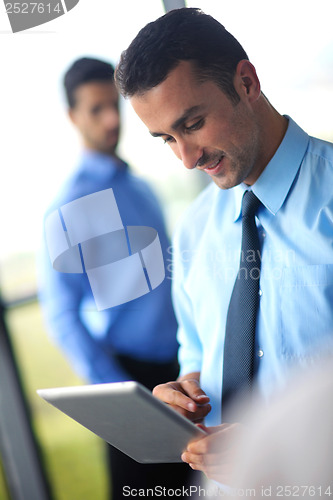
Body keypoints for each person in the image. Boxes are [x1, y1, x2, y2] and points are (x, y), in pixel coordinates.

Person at [115, 8, 333, 486]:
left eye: (192, 123)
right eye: (166, 139)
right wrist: (185, 393)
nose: (187, 159)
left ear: (247, 83)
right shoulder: (193, 231)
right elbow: (196, 353)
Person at [38, 57, 194, 498]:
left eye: (114, 106)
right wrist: (123, 399)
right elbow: (62, 315)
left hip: (182, 371)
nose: (111, 119)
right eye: (95, 109)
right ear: (72, 116)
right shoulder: (68, 207)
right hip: (133, 380)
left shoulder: (139, 188)